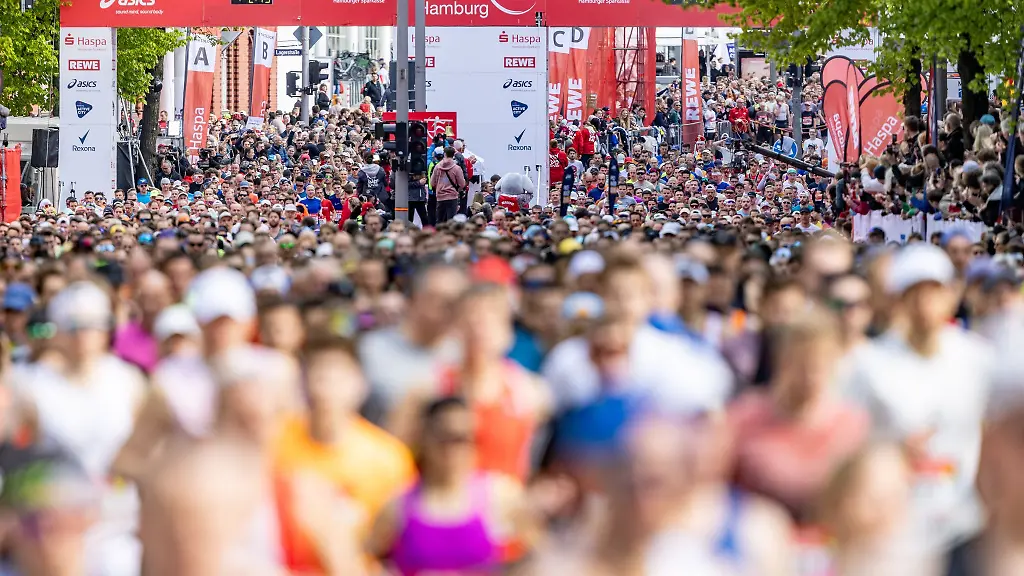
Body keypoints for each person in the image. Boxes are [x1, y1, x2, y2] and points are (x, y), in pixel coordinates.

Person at [844, 243, 994, 549]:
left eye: (934, 289)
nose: (925, 301)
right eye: (914, 291)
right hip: (894, 524)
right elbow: (847, 443)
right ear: (898, 298)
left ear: (952, 294)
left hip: (967, 522)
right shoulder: (869, 364)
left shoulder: (979, 358)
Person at [368, 397, 530, 575]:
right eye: (445, 437)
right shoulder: (397, 506)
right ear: (425, 439)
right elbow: (368, 559)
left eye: (463, 438)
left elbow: (535, 554)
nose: (454, 449)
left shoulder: (501, 494)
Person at [429, 146, 466, 224]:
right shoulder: (457, 168)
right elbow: (462, 184)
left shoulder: (437, 167)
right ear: (453, 155)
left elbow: (432, 183)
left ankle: (439, 235)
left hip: (440, 196)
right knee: (451, 221)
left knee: (439, 221)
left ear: (444, 154)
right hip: (452, 196)